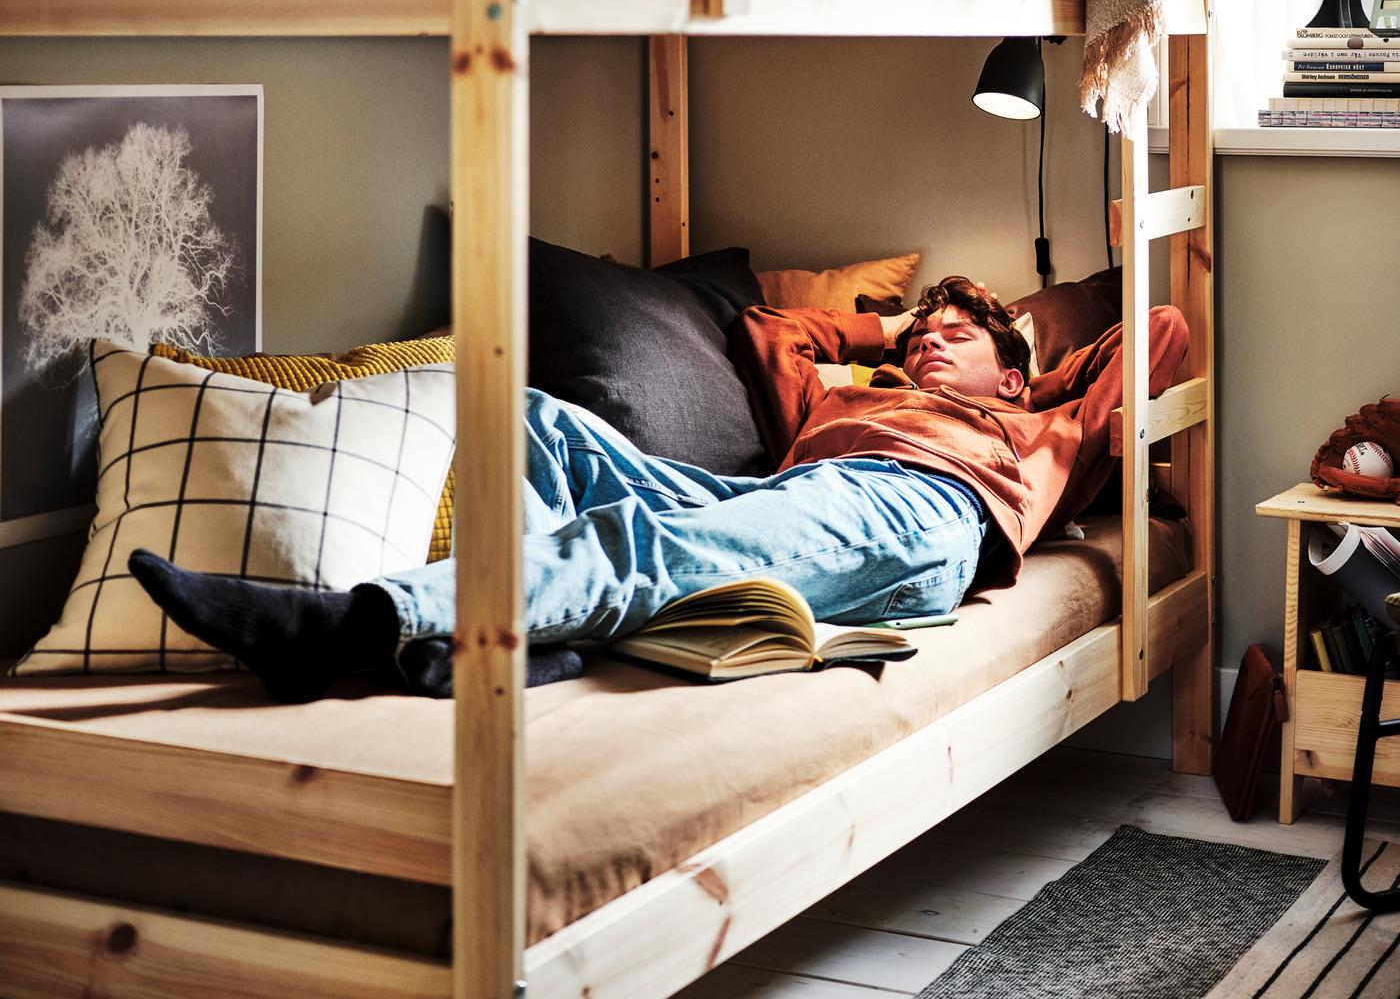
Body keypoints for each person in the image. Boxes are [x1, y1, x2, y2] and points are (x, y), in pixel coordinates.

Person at [128, 276, 1187, 701]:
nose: (927, 348)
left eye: (952, 341)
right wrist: (885, 327)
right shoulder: (843, 390)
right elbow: (771, 330)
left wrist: (1025, 364)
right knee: (539, 419)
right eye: (922, 339)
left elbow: (1160, 333)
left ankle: (362, 619)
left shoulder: (1036, 424)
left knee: (637, 543)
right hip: (790, 493)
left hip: (914, 511)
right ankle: (539, 638)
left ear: (1009, 368)